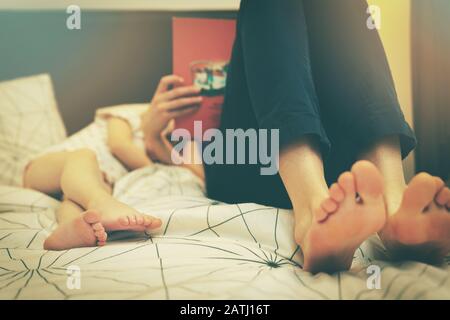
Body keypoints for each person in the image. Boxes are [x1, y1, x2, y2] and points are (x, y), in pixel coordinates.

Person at [144, 0, 450, 274]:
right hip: (244, 161)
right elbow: (157, 157)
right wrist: (151, 134)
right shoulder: (126, 121)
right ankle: (314, 209)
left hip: (338, 169)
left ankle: (393, 209)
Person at [23, 78, 203, 251]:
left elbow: (196, 177)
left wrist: (155, 140)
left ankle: (70, 229)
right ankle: (102, 203)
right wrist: (151, 156)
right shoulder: (131, 115)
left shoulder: (167, 140)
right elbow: (119, 145)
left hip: (92, 180)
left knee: (79, 202)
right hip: (51, 165)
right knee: (84, 157)